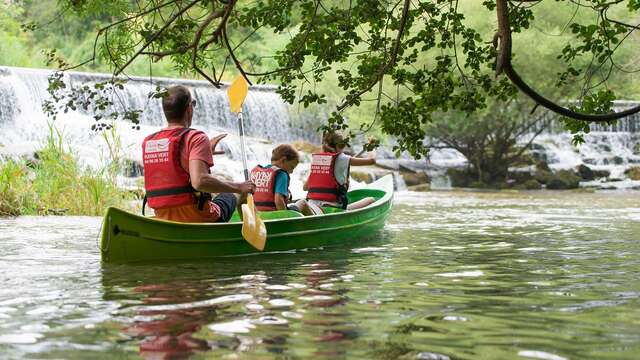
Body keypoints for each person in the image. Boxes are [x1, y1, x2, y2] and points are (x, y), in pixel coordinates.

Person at [142, 85, 255, 223]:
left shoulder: (149, 141)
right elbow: (199, 181)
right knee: (240, 192)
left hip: (163, 217)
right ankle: (246, 231)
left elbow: (171, 170)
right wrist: (239, 186)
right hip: (198, 218)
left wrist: (204, 153)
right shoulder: (196, 138)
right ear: (189, 108)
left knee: (213, 192)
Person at [304, 131, 376, 215]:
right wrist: (372, 147)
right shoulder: (342, 158)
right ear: (340, 145)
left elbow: (305, 187)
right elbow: (372, 160)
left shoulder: (317, 159)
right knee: (371, 200)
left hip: (312, 206)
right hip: (331, 209)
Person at [250, 144, 310, 212]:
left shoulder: (256, 172)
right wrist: (285, 218)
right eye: (291, 167)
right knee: (303, 203)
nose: (291, 172)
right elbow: (278, 200)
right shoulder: (281, 174)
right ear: (283, 160)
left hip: (257, 214)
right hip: (275, 215)